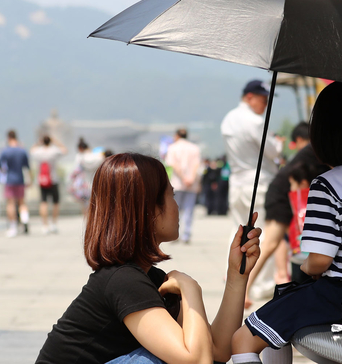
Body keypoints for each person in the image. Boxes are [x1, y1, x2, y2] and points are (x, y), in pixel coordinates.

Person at [230, 82, 342, 364]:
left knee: (244, 338)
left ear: (324, 134)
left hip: (339, 296)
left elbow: (320, 262)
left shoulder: (327, 185)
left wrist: (304, 266)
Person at [35, 153, 262, 364]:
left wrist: (236, 275)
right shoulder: (123, 281)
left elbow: (217, 351)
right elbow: (198, 361)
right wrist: (190, 287)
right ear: (147, 208)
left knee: (178, 349)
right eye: (171, 195)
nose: (177, 206)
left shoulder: (148, 277)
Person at [244, 122, 325, 308]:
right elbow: (296, 175)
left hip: (286, 192)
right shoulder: (320, 147)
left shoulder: (314, 147)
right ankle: (244, 289)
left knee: (279, 241)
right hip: (282, 194)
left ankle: (279, 277)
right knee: (270, 243)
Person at [221, 79, 284, 229]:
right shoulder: (255, 121)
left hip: (236, 183)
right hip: (258, 183)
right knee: (260, 231)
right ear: (250, 97)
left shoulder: (228, 119)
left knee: (238, 231)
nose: (266, 104)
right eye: (263, 99)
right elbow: (272, 152)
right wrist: (279, 142)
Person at [165, 128, 202, 244]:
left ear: (176, 136)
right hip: (192, 183)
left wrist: (183, 178)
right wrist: (190, 178)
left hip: (177, 183)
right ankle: (186, 234)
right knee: (189, 209)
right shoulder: (195, 148)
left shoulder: (172, 148)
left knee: (175, 210)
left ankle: (175, 234)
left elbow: (173, 164)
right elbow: (197, 164)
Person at [31, 135, 67, 235]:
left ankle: (44, 225)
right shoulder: (54, 151)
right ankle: (53, 224)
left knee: (43, 202)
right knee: (55, 202)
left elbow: (31, 150)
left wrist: (38, 142)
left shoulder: (38, 152)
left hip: (42, 180)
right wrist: (56, 141)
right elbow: (64, 150)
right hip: (53, 179)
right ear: (50, 141)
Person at [0, 130, 31, 237]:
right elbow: (27, 167)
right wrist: (30, 180)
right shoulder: (22, 151)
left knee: (10, 203)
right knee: (22, 202)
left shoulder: (5, 151)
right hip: (20, 179)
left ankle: (13, 226)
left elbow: (0, 166)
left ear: (8, 138)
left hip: (9, 180)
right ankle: (25, 220)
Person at [70, 137, 105, 214]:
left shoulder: (80, 157)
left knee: (85, 204)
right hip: (96, 182)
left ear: (80, 148)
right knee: (96, 204)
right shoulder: (97, 157)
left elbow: (75, 171)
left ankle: (87, 221)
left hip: (84, 185)